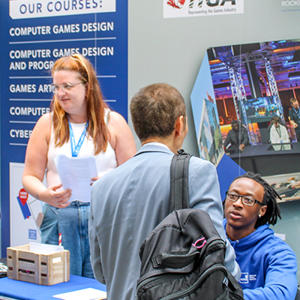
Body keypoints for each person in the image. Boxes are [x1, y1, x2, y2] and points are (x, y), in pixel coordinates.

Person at [89, 83, 240, 299]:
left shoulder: (101, 187)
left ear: (137, 126)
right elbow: (219, 254)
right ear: (180, 124)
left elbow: (100, 272)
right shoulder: (197, 172)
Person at [22, 54, 136, 278]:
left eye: (67, 86)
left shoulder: (113, 122)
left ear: (88, 87)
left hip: (102, 217)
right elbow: (29, 176)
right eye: (56, 87)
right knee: (58, 284)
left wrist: (109, 183)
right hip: (59, 217)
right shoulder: (46, 124)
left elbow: (133, 176)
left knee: (101, 286)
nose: (60, 93)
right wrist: (44, 194)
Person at [224, 172, 298, 300]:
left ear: (262, 210)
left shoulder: (278, 252)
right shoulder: (206, 236)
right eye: (233, 196)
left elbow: (280, 295)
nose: (237, 203)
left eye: (248, 200)